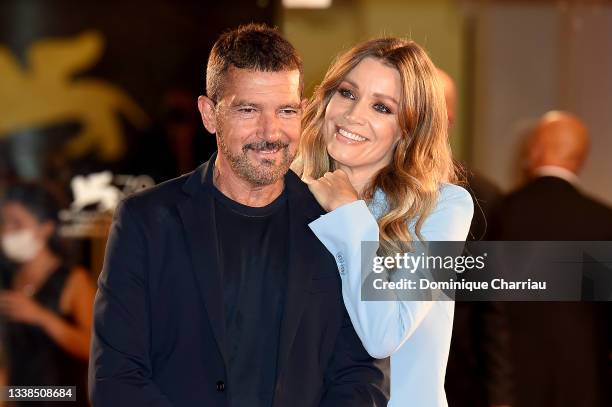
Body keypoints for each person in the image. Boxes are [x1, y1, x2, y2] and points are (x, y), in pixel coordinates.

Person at [88, 24, 388, 407]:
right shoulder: (146, 221)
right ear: (210, 114)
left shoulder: (337, 223)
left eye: (286, 111)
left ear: (304, 112)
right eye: (248, 110)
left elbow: (362, 375)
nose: (271, 131)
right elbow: (116, 377)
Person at [294, 38, 474, 406]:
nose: (353, 115)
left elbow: (383, 334)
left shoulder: (442, 208)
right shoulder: (292, 196)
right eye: (347, 93)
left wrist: (348, 212)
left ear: (408, 129)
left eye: (381, 107)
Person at [489, 111, 612, 407]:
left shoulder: (501, 214)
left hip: (510, 387)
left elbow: (483, 313)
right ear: (580, 158)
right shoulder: (604, 222)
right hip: (585, 384)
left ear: (534, 151)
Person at [437, 69, 513, 407]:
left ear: (448, 120)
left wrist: (498, 399)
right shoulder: (357, 188)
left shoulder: (481, 196)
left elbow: (492, 311)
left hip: (457, 382)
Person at [0, 182, 95, 406]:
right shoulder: (9, 278)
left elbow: (93, 349)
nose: (6, 232)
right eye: (4, 223)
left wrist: (41, 317)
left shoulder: (74, 279)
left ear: (46, 227)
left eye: (17, 223)